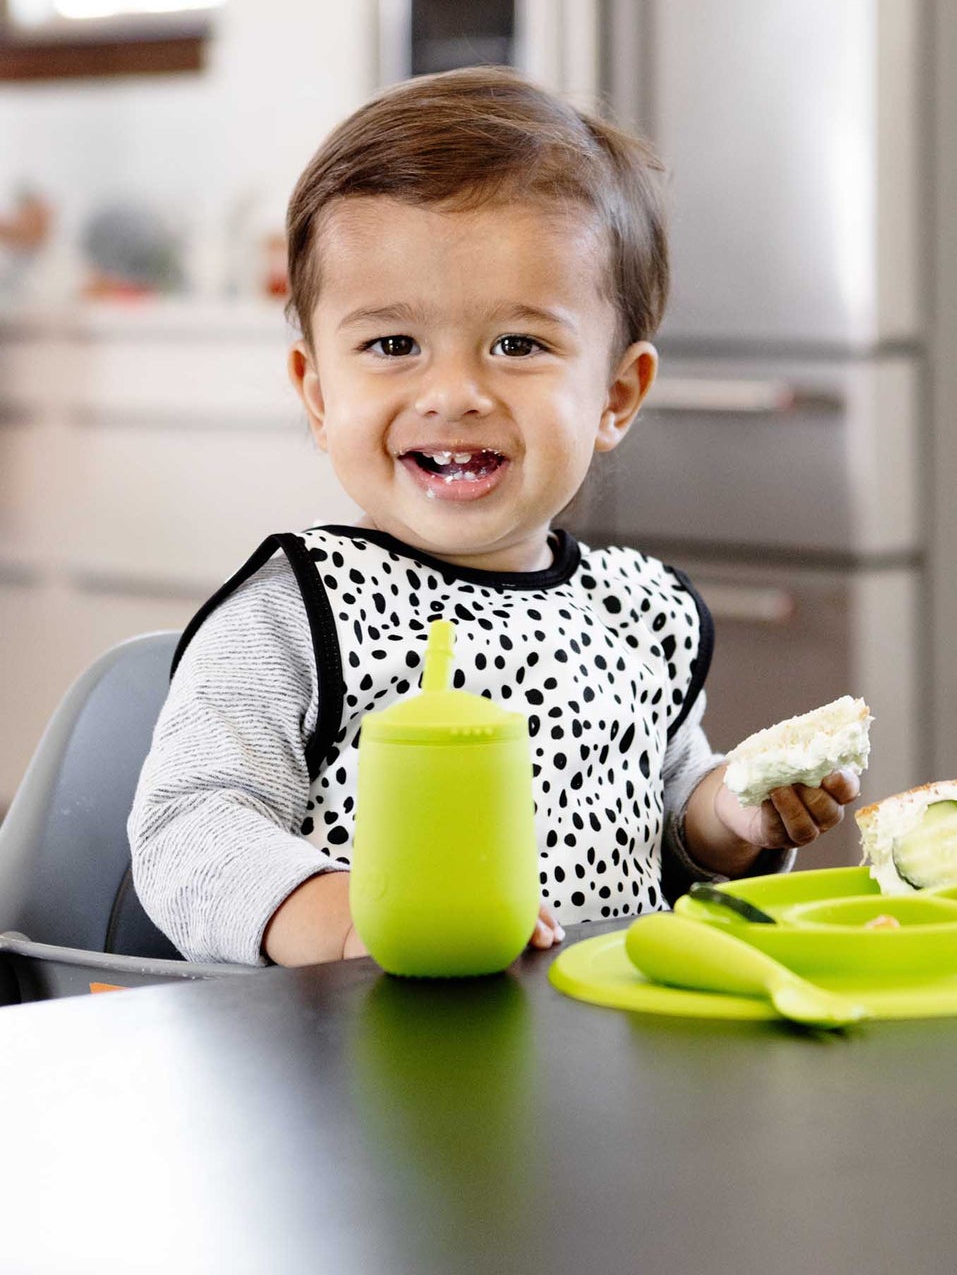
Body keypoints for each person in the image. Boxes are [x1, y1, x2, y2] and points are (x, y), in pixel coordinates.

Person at [128, 67, 860, 967]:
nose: (455, 393)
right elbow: (188, 826)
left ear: (616, 394)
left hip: (599, 1064)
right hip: (352, 1070)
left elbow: (664, 815)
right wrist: (358, 922)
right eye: (392, 345)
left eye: (518, 344)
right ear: (317, 394)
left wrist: (731, 815)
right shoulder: (296, 617)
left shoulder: (640, 614)